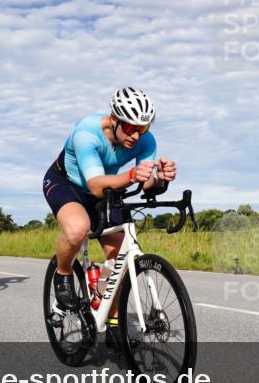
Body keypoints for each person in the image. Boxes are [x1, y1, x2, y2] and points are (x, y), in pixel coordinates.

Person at [42, 87, 176, 330]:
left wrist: (160, 179)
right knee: (77, 228)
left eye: (142, 128)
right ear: (114, 119)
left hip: (107, 189)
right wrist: (133, 174)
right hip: (66, 183)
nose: (136, 136)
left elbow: (144, 181)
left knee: (119, 254)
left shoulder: (146, 142)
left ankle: (110, 317)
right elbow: (94, 186)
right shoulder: (87, 133)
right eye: (130, 127)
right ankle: (62, 275)